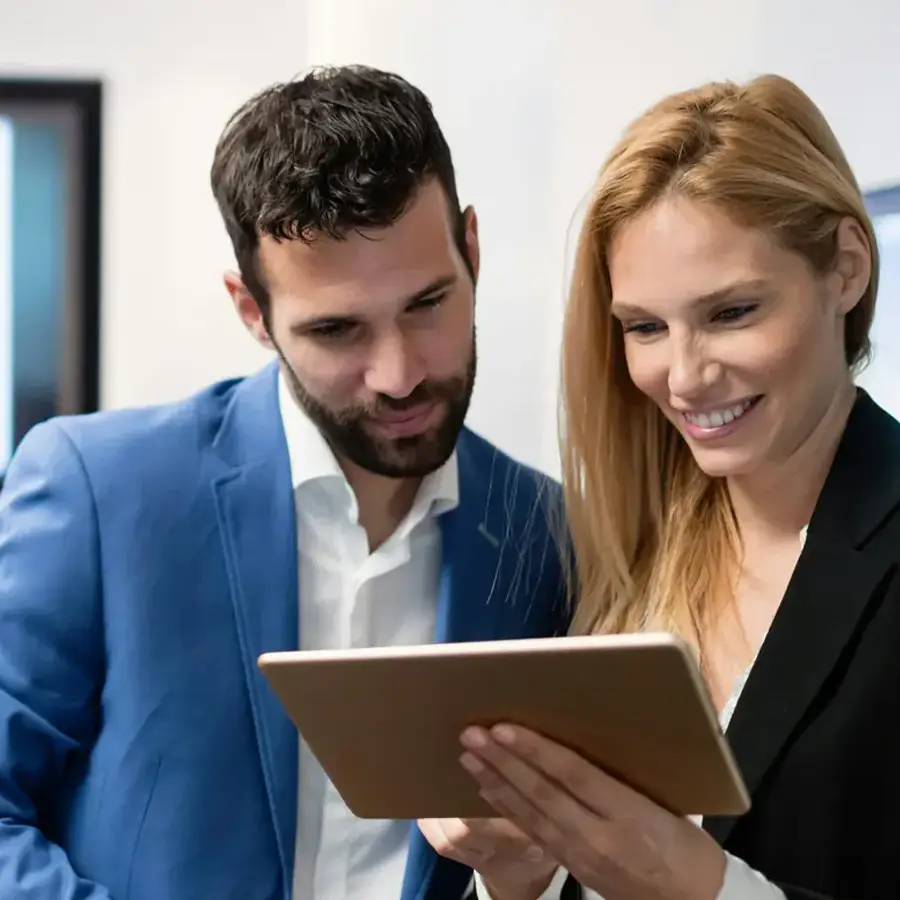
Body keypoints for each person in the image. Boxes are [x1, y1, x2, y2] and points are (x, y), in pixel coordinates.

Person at [0, 65, 570, 900]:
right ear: (251, 312)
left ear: (472, 251)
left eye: (427, 304)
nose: (400, 373)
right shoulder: (98, 489)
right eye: (338, 330)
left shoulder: (548, 535)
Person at [429, 74, 900, 899]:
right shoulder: (621, 552)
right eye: (645, 327)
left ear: (847, 270)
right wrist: (518, 873)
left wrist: (701, 888)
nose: (682, 377)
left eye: (732, 313)